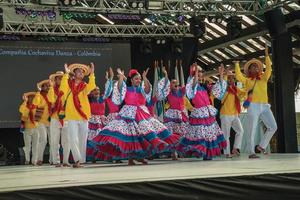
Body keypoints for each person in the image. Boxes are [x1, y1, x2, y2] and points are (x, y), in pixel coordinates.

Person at [92, 68, 178, 165]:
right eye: (136, 79)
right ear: (132, 80)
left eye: (139, 79)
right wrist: (121, 77)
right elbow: (120, 88)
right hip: (129, 114)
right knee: (132, 137)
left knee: (144, 134)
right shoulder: (126, 89)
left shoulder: (141, 89)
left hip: (142, 113)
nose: (138, 80)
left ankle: (140, 156)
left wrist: (145, 78)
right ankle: (131, 158)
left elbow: (148, 89)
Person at [176, 63, 227, 160]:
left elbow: (217, 88)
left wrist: (220, 74)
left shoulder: (204, 87)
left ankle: (208, 153)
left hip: (207, 113)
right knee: (201, 133)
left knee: (209, 133)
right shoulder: (191, 87)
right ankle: (201, 151)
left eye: (200, 74)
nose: (199, 76)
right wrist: (194, 74)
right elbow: (193, 83)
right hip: (199, 113)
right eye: (197, 74)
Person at [234, 45, 277, 159]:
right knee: (251, 129)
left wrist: (267, 56)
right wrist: (237, 64)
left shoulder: (263, 78)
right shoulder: (247, 80)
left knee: (273, 126)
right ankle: (251, 151)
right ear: (249, 70)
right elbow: (238, 76)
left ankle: (261, 146)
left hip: (265, 106)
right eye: (253, 67)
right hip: (252, 105)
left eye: (257, 67)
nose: (256, 68)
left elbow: (269, 69)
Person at [59, 63, 96, 167]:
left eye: (83, 72)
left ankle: (81, 160)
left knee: (82, 139)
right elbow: (62, 88)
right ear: (74, 73)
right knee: (72, 138)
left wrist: (92, 74)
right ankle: (77, 160)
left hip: (83, 115)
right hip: (71, 116)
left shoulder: (84, 86)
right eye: (79, 71)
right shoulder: (68, 85)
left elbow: (92, 86)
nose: (81, 73)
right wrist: (66, 74)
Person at [220, 70, 246, 158]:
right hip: (225, 114)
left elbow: (244, 93)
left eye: (232, 78)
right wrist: (227, 90)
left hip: (234, 114)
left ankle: (235, 148)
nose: (231, 79)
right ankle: (227, 153)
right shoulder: (223, 89)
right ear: (226, 79)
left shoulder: (235, 89)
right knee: (226, 135)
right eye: (229, 78)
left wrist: (248, 86)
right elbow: (221, 100)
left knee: (240, 131)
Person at [48, 71, 70, 167]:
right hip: (54, 117)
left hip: (66, 117)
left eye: (62, 78)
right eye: (58, 78)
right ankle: (56, 161)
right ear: (55, 80)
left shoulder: (68, 89)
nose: (60, 80)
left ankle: (65, 161)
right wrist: (51, 87)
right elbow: (51, 100)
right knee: (54, 141)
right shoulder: (52, 90)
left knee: (66, 140)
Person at [33, 79, 52, 165]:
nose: (48, 87)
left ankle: (53, 160)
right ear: (42, 87)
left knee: (53, 141)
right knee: (43, 140)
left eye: (49, 85)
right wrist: (38, 92)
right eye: (46, 85)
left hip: (51, 121)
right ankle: (39, 159)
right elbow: (35, 103)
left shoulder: (52, 93)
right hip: (41, 121)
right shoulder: (39, 95)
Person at [19, 92, 39, 165]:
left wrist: (29, 93)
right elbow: (22, 111)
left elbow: (37, 94)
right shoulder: (24, 106)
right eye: (29, 97)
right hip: (27, 129)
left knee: (35, 145)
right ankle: (27, 160)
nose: (31, 98)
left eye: (32, 97)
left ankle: (34, 160)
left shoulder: (36, 106)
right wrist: (25, 100)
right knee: (27, 146)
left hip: (36, 128)